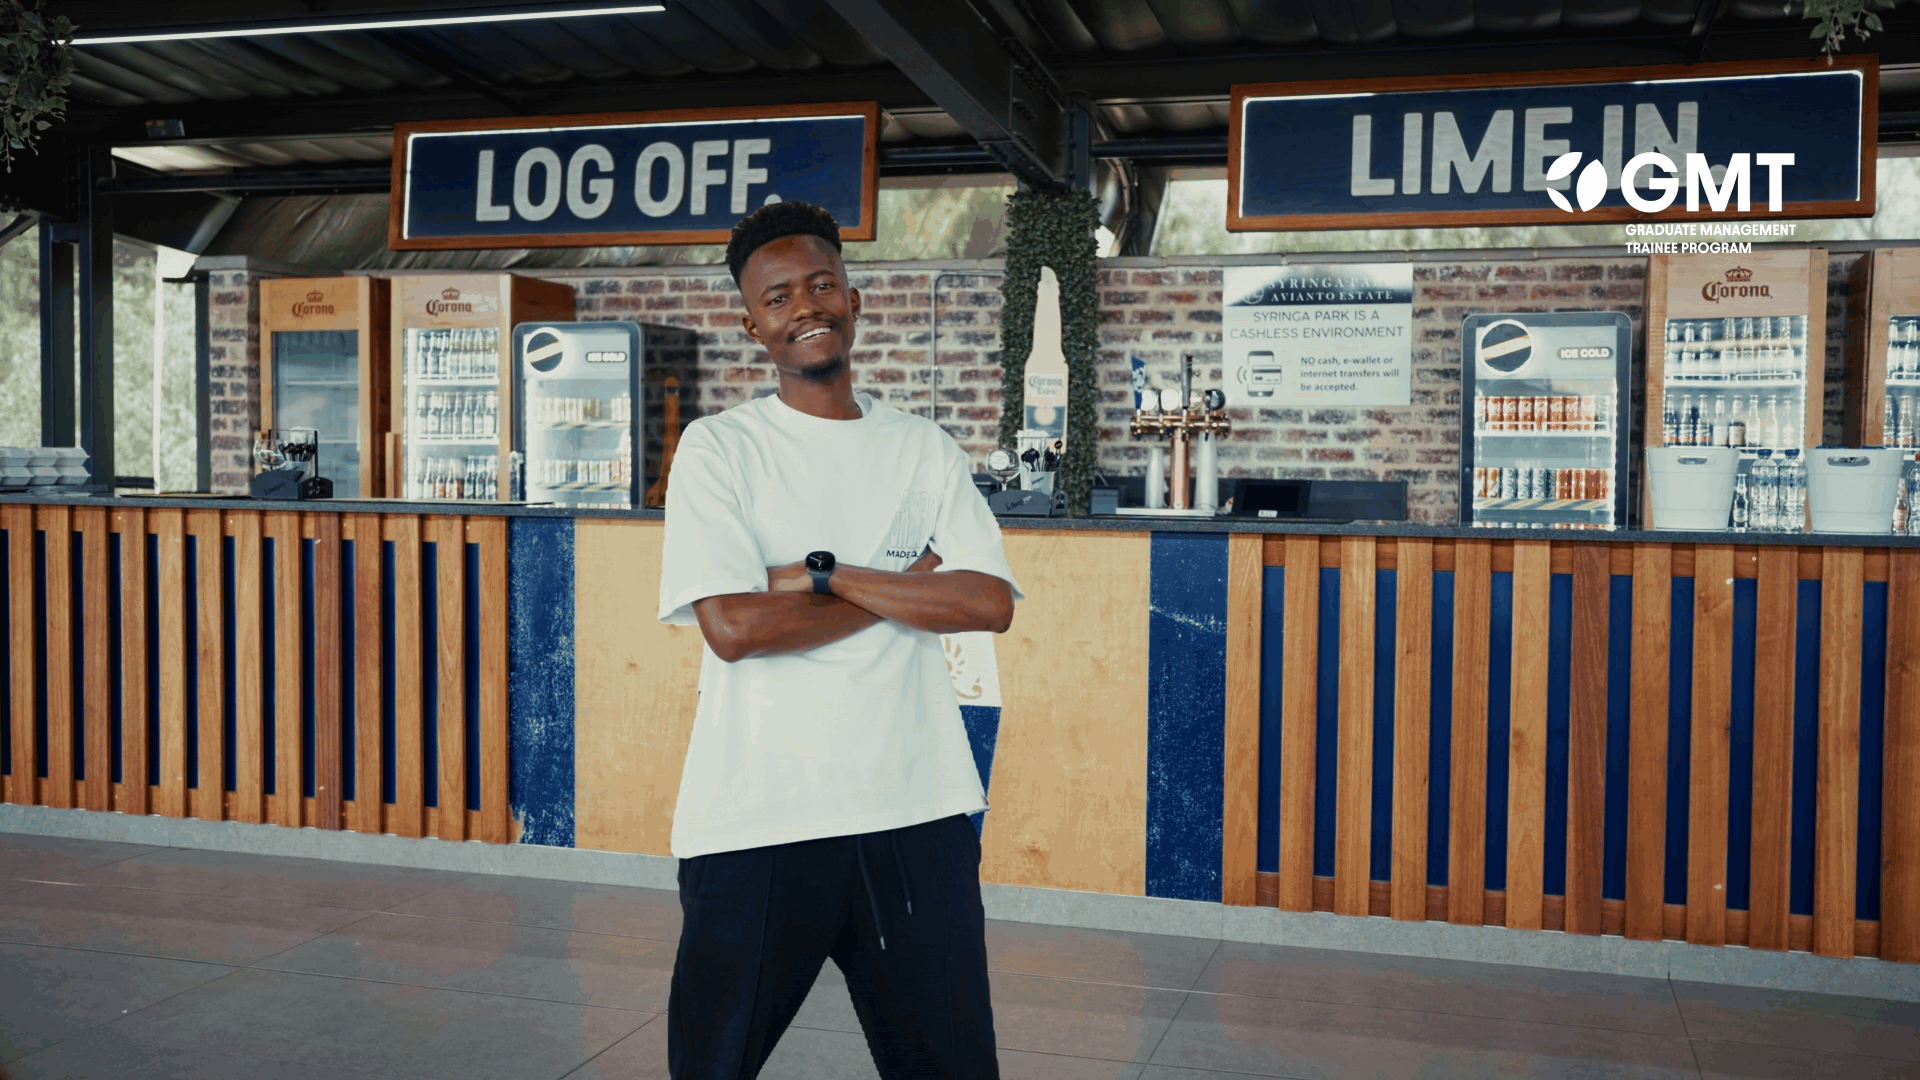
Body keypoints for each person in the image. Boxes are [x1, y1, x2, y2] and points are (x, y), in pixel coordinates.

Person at [656, 200, 1023, 1079]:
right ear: (753, 326)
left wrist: (824, 575)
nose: (806, 307)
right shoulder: (719, 449)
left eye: (822, 285)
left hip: (916, 812)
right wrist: (909, 583)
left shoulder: (923, 448)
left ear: (853, 299)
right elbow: (734, 627)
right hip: (758, 818)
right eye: (778, 297)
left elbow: (986, 602)